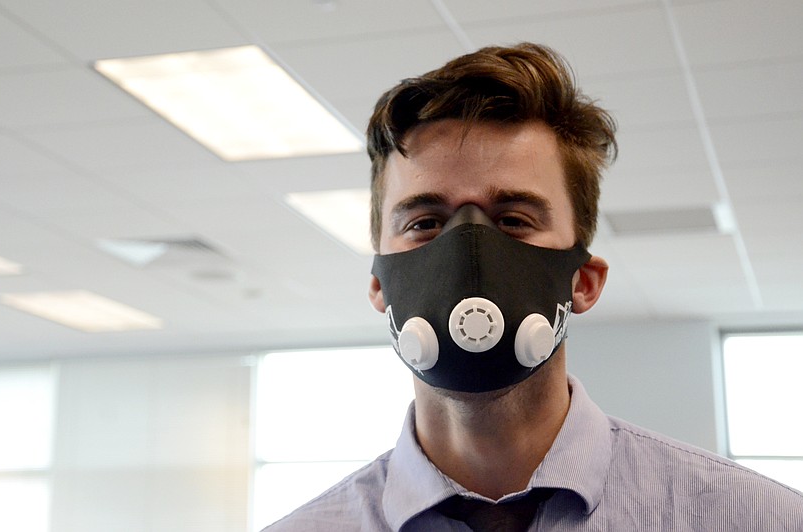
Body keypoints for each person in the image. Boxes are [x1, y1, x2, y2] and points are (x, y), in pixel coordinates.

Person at [264, 43, 803, 531]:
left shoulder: (754, 519)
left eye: (515, 219)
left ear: (584, 282)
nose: (467, 255)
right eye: (425, 222)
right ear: (379, 283)